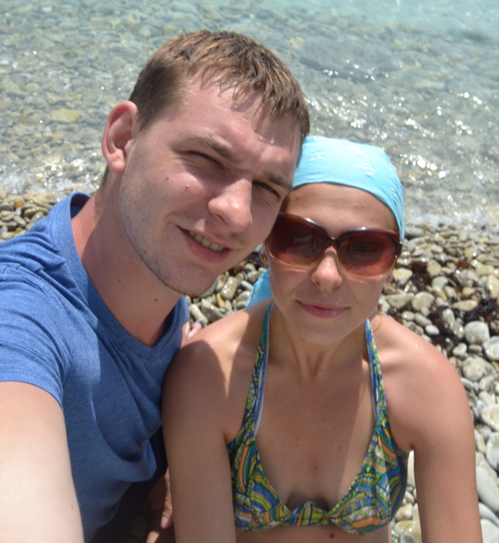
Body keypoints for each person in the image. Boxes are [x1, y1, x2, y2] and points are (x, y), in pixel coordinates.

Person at [0, 31, 310, 543]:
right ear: (123, 139)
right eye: (208, 160)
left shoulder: (158, 286)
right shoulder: (21, 322)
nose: (236, 213)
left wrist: (164, 455)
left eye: (266, 187)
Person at [163, 136, 482, 543]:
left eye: (364, 249)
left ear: (391, 266)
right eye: (299, 239)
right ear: (266, 245)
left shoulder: (425, 386)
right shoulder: (210, 375)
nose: (327, 276)